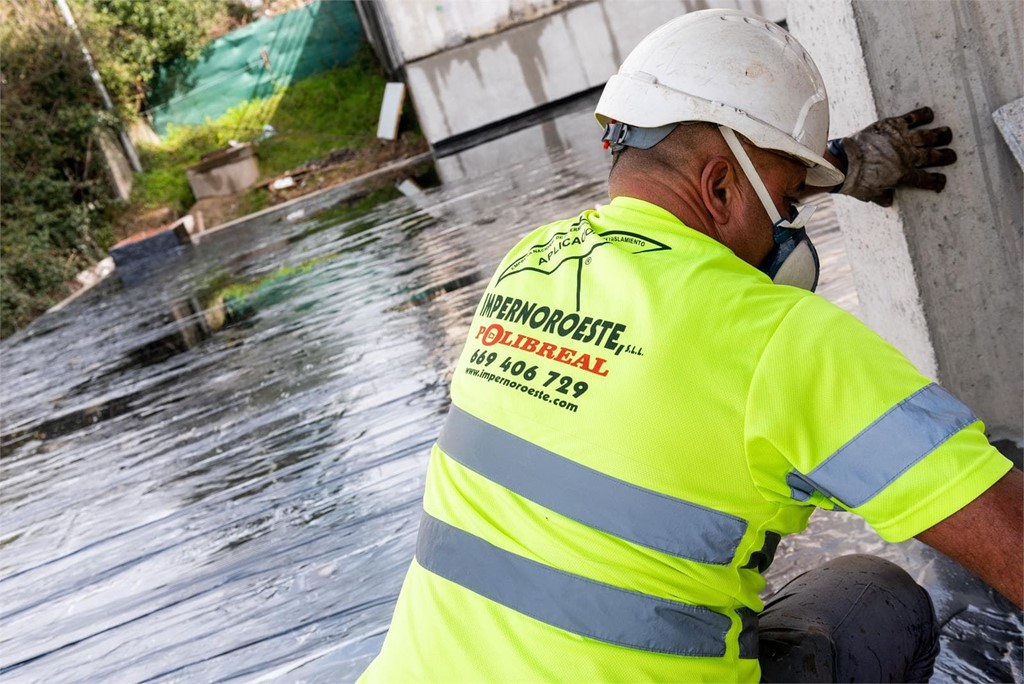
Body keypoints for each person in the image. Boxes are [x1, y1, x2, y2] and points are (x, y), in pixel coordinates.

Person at [360, 9, 1021, 682]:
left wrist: (832, 167)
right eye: (788, 206)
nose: (784, 236)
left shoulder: (528, 265)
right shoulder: (781, 341)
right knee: (875, 600)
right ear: (719, 186)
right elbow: (1011, 537)